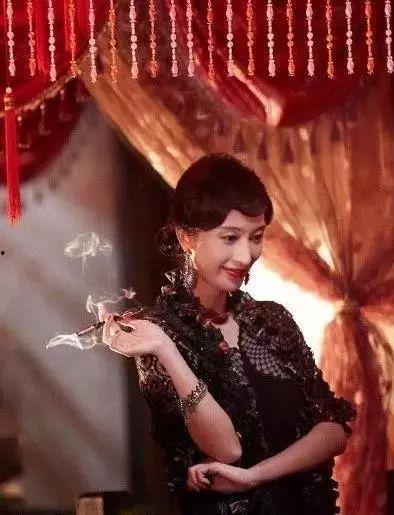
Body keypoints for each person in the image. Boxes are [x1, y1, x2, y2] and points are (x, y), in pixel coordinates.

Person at [99, 153, 356, 514]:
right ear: (186, 238)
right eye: (230, 238)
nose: (246, 255)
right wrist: (165, 348)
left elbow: (334, 429)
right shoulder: (157, 334)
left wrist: (254, 476)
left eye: (256, 237)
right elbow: (227, 449)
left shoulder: (272, 320)